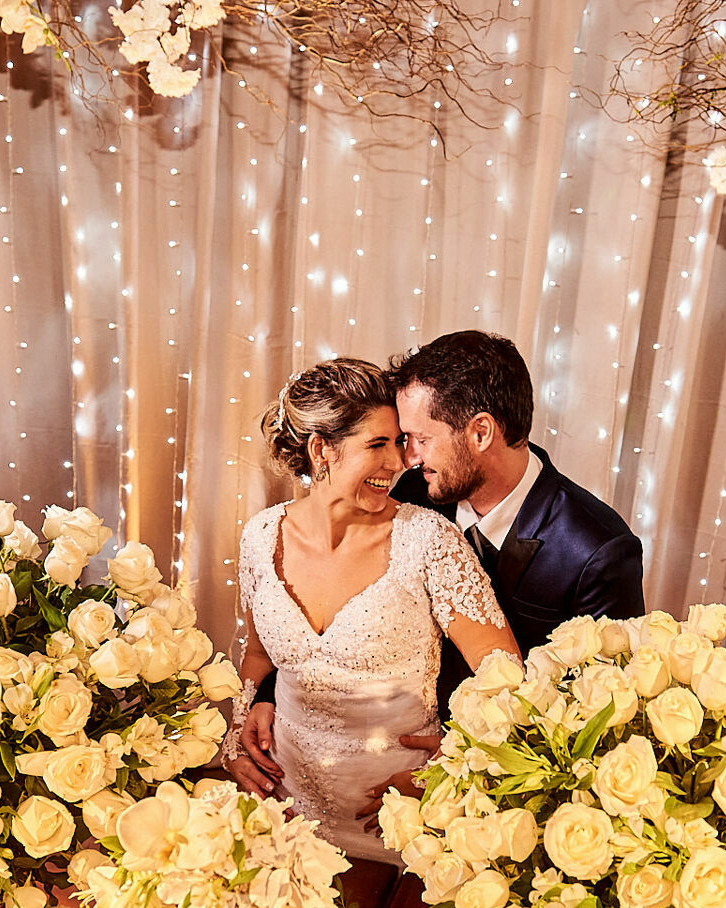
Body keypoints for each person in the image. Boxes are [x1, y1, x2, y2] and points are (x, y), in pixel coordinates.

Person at [233, 330, 645, 808]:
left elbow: (601, 708)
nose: (404, 459)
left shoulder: (596, 549)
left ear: (480, 433)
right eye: (398, 440)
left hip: (487, 790)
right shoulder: (411, 491)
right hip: (298, 775)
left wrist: (460, 763)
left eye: (418, 440)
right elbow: (289, 642)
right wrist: (263, 700)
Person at [221, 357, 517, 862]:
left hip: (401, 818)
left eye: (400, 443)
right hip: (282, 807)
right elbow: (258, 655)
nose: (399, 463)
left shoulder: (429, 541)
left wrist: (450, 766)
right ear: (321, 449)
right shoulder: (260, 537)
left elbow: (504, 675)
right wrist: (238, 730)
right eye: (378, 445)